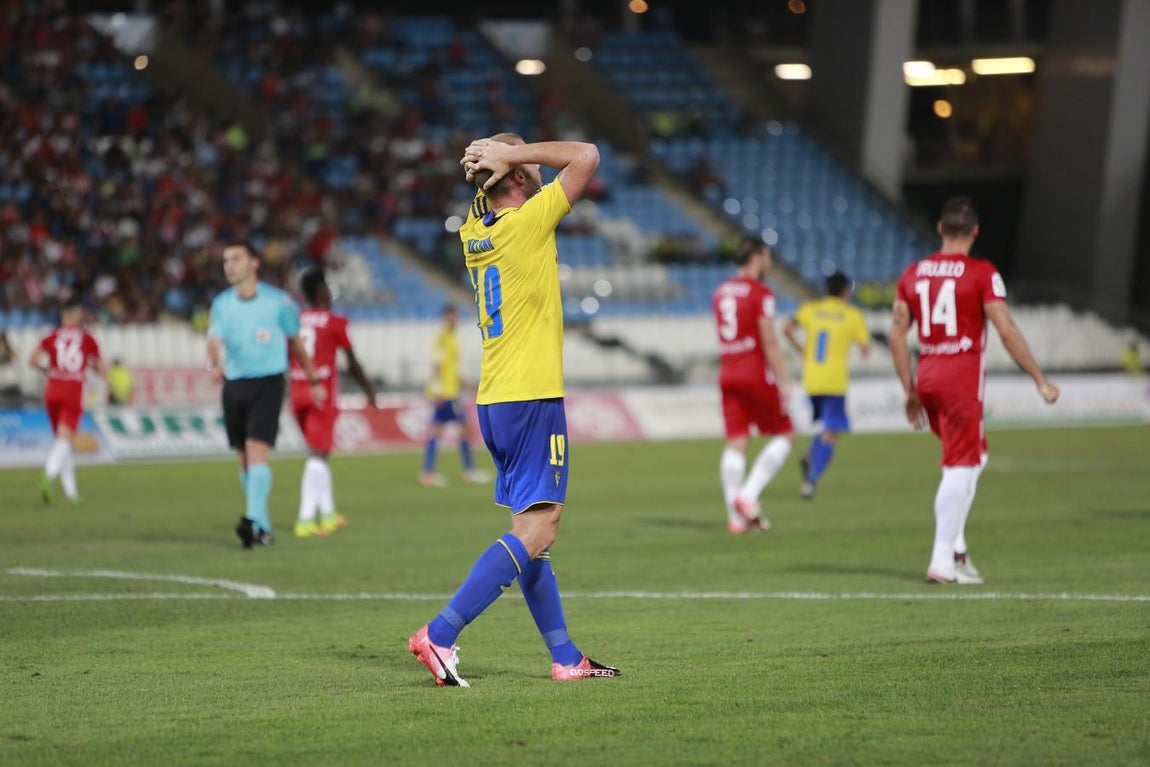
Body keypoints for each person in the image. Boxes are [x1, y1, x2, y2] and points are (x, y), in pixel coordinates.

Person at [407, 133, 619, 687]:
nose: (538, 166)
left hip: (495, 398)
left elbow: (494, 188)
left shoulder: (474, 230)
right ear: (519, 175)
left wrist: (493, 162)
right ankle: (441, 633)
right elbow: (587, 154)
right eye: (526, 161)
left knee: (531, 536)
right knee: (539, 532)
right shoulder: (528, 223)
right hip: (530, 397)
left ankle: (566, 657)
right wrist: (510, 154)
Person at [890, 197, 1059, 585]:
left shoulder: (913, 273)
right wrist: (1039, 379)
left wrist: (909, 390)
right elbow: (1006, 330)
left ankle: (957, 546)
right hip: (960, 379)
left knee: (975, 455)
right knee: (960, 464)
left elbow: (897, 336)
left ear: (939, 228)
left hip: (928, 374)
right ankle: (942, 560)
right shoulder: (982, 273)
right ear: (976, 231)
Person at [206, 241, 326, 550]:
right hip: (234, 384)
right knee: (244, 459)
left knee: (257, 449)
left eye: (236, 258)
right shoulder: (221, 304)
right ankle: (262, 526)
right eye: (225, 260)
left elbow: (296, 343)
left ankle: (252, 519)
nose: (229, 265)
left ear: (254, 263)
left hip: (268, 382)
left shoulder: (278, 302)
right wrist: (214, 365)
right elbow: (213, 341)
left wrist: (313, 378)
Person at [712, 237, 794, 534]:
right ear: (756, 257)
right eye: (767, 257)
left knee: (737, 440)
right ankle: (747, 497)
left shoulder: (721, 291)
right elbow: (769, 340)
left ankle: (735, 519)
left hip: (728, 371)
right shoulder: (761, 293)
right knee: (786, 434)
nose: (770, 263)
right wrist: (783, 379)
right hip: (754, 371)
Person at [289, 266, 377, 538]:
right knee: (317, 454)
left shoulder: (295, 320)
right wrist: (369, 390)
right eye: (326, 286)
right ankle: (305, 519)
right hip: (321, 392)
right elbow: (352, 362)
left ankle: (327, 514)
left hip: (297, 391)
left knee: (320, 452)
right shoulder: (334, 321)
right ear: (320, 291)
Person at [783, 272, 871, 499]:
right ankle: (810, 481)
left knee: (826, 426)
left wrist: (802, 351)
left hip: (811, 378)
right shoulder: (852, 315)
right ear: (845, 292)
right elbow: (865, 348)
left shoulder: (810, 309)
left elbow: (787, 328)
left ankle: (810, 454)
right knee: (831, 432)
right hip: (834, 381)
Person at [29, 297, 107, 505]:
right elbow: (100, 367)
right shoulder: (87, 339)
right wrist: (104, 376)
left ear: (63, 316)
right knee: (65, 440)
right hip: (73, 388)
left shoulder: (51, 336)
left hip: (52, 388)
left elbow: (33, 361)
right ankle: (48, 475)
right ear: (77, 315)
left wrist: (48, 371)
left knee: (64, 440)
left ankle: (72, 494)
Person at [419, 303, 489, 488]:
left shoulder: (451, 337)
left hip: (449, 392)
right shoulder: (443, 337)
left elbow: (452, 370)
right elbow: (437, 366)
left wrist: (468, 385)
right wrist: (437, 391)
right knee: (463, 429)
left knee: (438, 431)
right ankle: (468, 471)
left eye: (456, 316)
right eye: (452, 316)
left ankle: (428, 473)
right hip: (446, 394)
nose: (455, 319)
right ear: (446, 317)